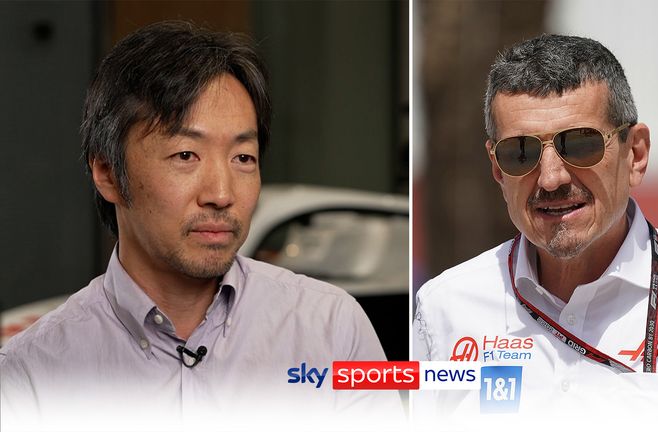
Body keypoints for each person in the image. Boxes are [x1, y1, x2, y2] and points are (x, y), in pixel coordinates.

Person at [0, 21, 401, 431]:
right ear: (107, 173)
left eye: (243, 158)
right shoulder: (32, 375)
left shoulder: (330, 328)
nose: (222, 193)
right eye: (186, 155)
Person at [413, 34, 658, 424]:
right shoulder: (443, 308)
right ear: (498, 169)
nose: (550, 179)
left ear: (635, 153)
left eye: (580, 145)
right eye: (520, 153)